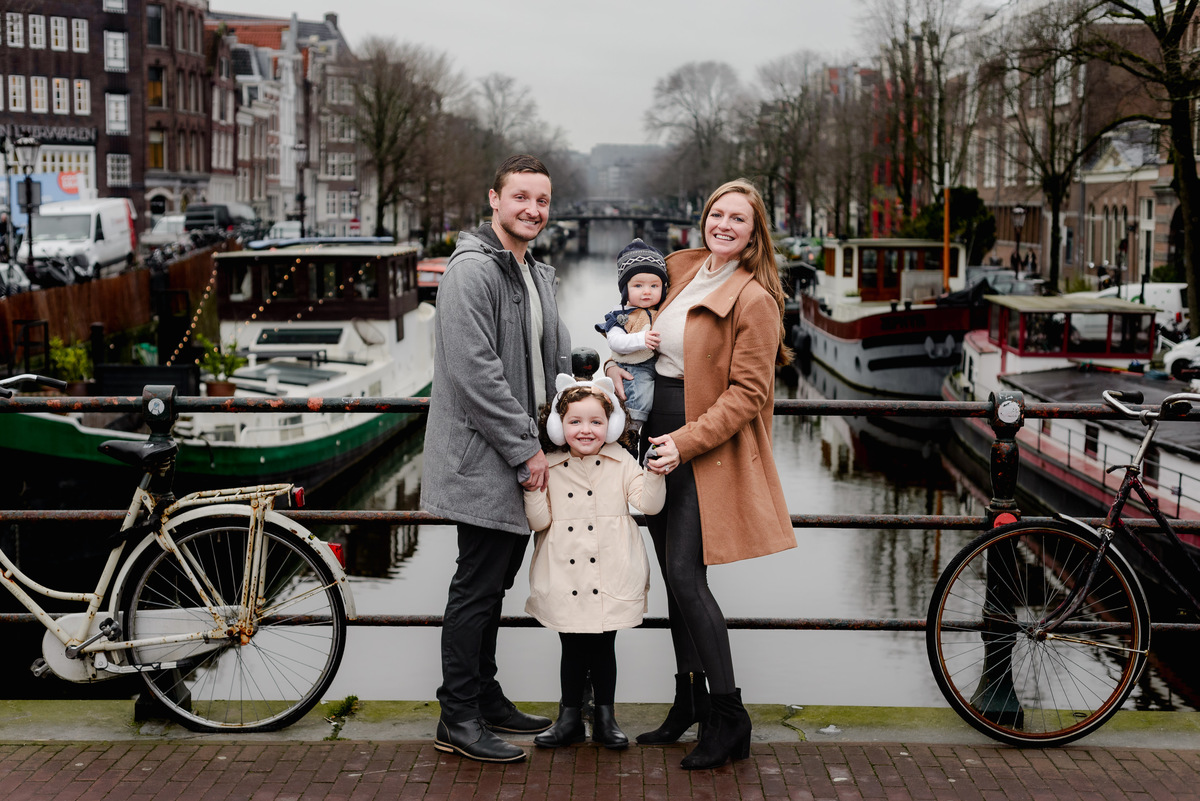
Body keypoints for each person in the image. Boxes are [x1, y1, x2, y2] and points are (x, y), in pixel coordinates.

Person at [606, 178, 797, 770]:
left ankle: (730, 717)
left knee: (688, 577)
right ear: (704, 217)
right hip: (655, 433)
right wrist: (614, 364)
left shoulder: (754, 299)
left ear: (755, 231)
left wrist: (683, 444)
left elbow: (748, 394)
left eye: (738, 218)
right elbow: (637, 334)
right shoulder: (680, 270)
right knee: (672, 576)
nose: (724, 225)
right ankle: (688, 700)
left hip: (699, 444)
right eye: (717, 213)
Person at [421, 154, 572, 764]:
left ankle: (483, 697)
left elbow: (547, 356)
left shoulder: (531, 271)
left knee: (494, 584)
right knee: (476, 587)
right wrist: (525, 447)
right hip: (487, 457)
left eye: (542, 200)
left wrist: (593, 386)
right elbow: (475, 372)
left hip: (518, 453)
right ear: (494, 199)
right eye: (521, 197)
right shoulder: (472, 272)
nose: (533, 209)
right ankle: (457, 717)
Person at [523, 375, 665, 750]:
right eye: (575, 421)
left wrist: (654, 473)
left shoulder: (622, 462)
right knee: (571, 647)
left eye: (596, 422)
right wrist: (531, 489)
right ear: (558, 426)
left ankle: (605, 719)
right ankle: (569, 718)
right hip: (564, 570)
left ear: (611, 425)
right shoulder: (550, 466)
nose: (585, 430)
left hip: (611, 566)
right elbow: (539, 522)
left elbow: (649, 505)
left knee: (604, 646)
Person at [594, 238, 668, 435]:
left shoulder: (661, 310)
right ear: (625, 289)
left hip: (656, 367)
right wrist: (640, 339)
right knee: (640, 394)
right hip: (635, 366)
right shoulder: (621, 315)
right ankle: (630, 429)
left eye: (654, 286)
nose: (647, 292)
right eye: (638, 286)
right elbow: (615, 342)